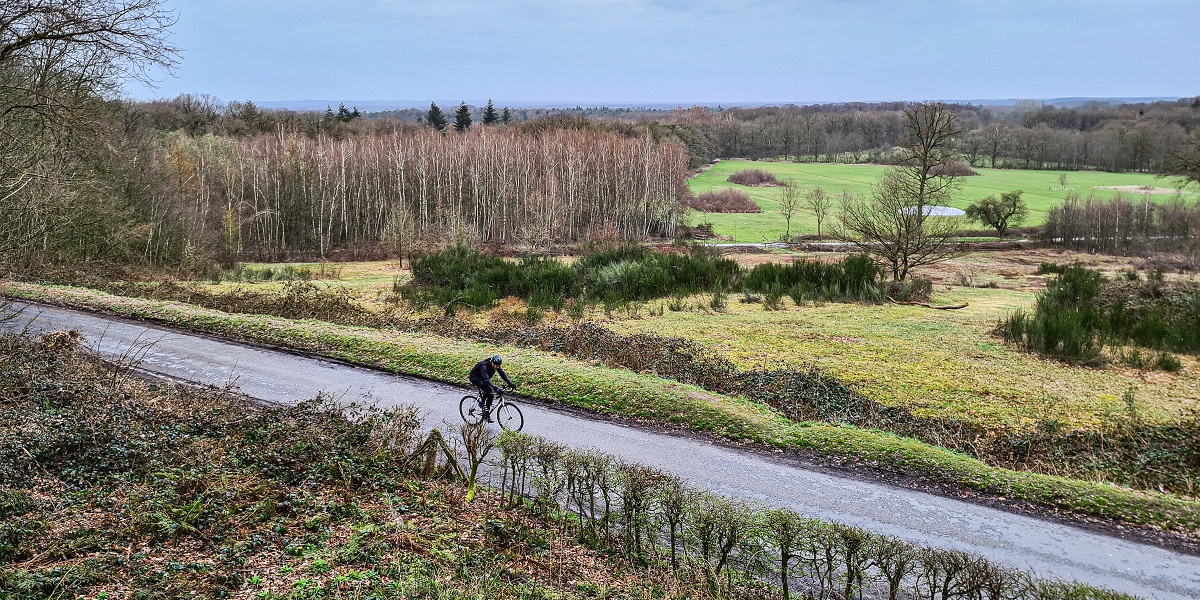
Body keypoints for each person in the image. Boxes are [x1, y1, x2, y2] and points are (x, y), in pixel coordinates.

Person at [469, 354, 516, 422]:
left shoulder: (496, 365)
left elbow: (503, 374)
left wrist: (511, 384)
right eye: (496, 366)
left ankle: (486, 415)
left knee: (491, 396)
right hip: (475, 377)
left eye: (499, 366)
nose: (497, 367)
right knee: (488, 388)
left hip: (483, 378)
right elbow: (486, 380)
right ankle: (481, 402)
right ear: (492, 363)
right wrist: (496, 388)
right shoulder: (484, 366)